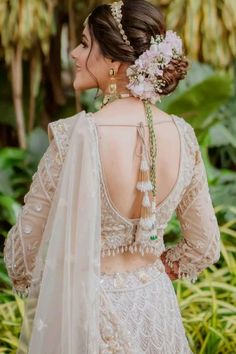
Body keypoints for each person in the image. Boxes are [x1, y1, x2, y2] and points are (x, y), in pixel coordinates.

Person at [3, 0, 221, 353]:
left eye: (86, 43)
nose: (74, 53)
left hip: (90, 314)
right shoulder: (182, 134)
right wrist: (153, 269)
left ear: (115, 63)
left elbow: (21, 259)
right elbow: (204, 245)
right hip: (155, 309)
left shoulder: (75, 136)